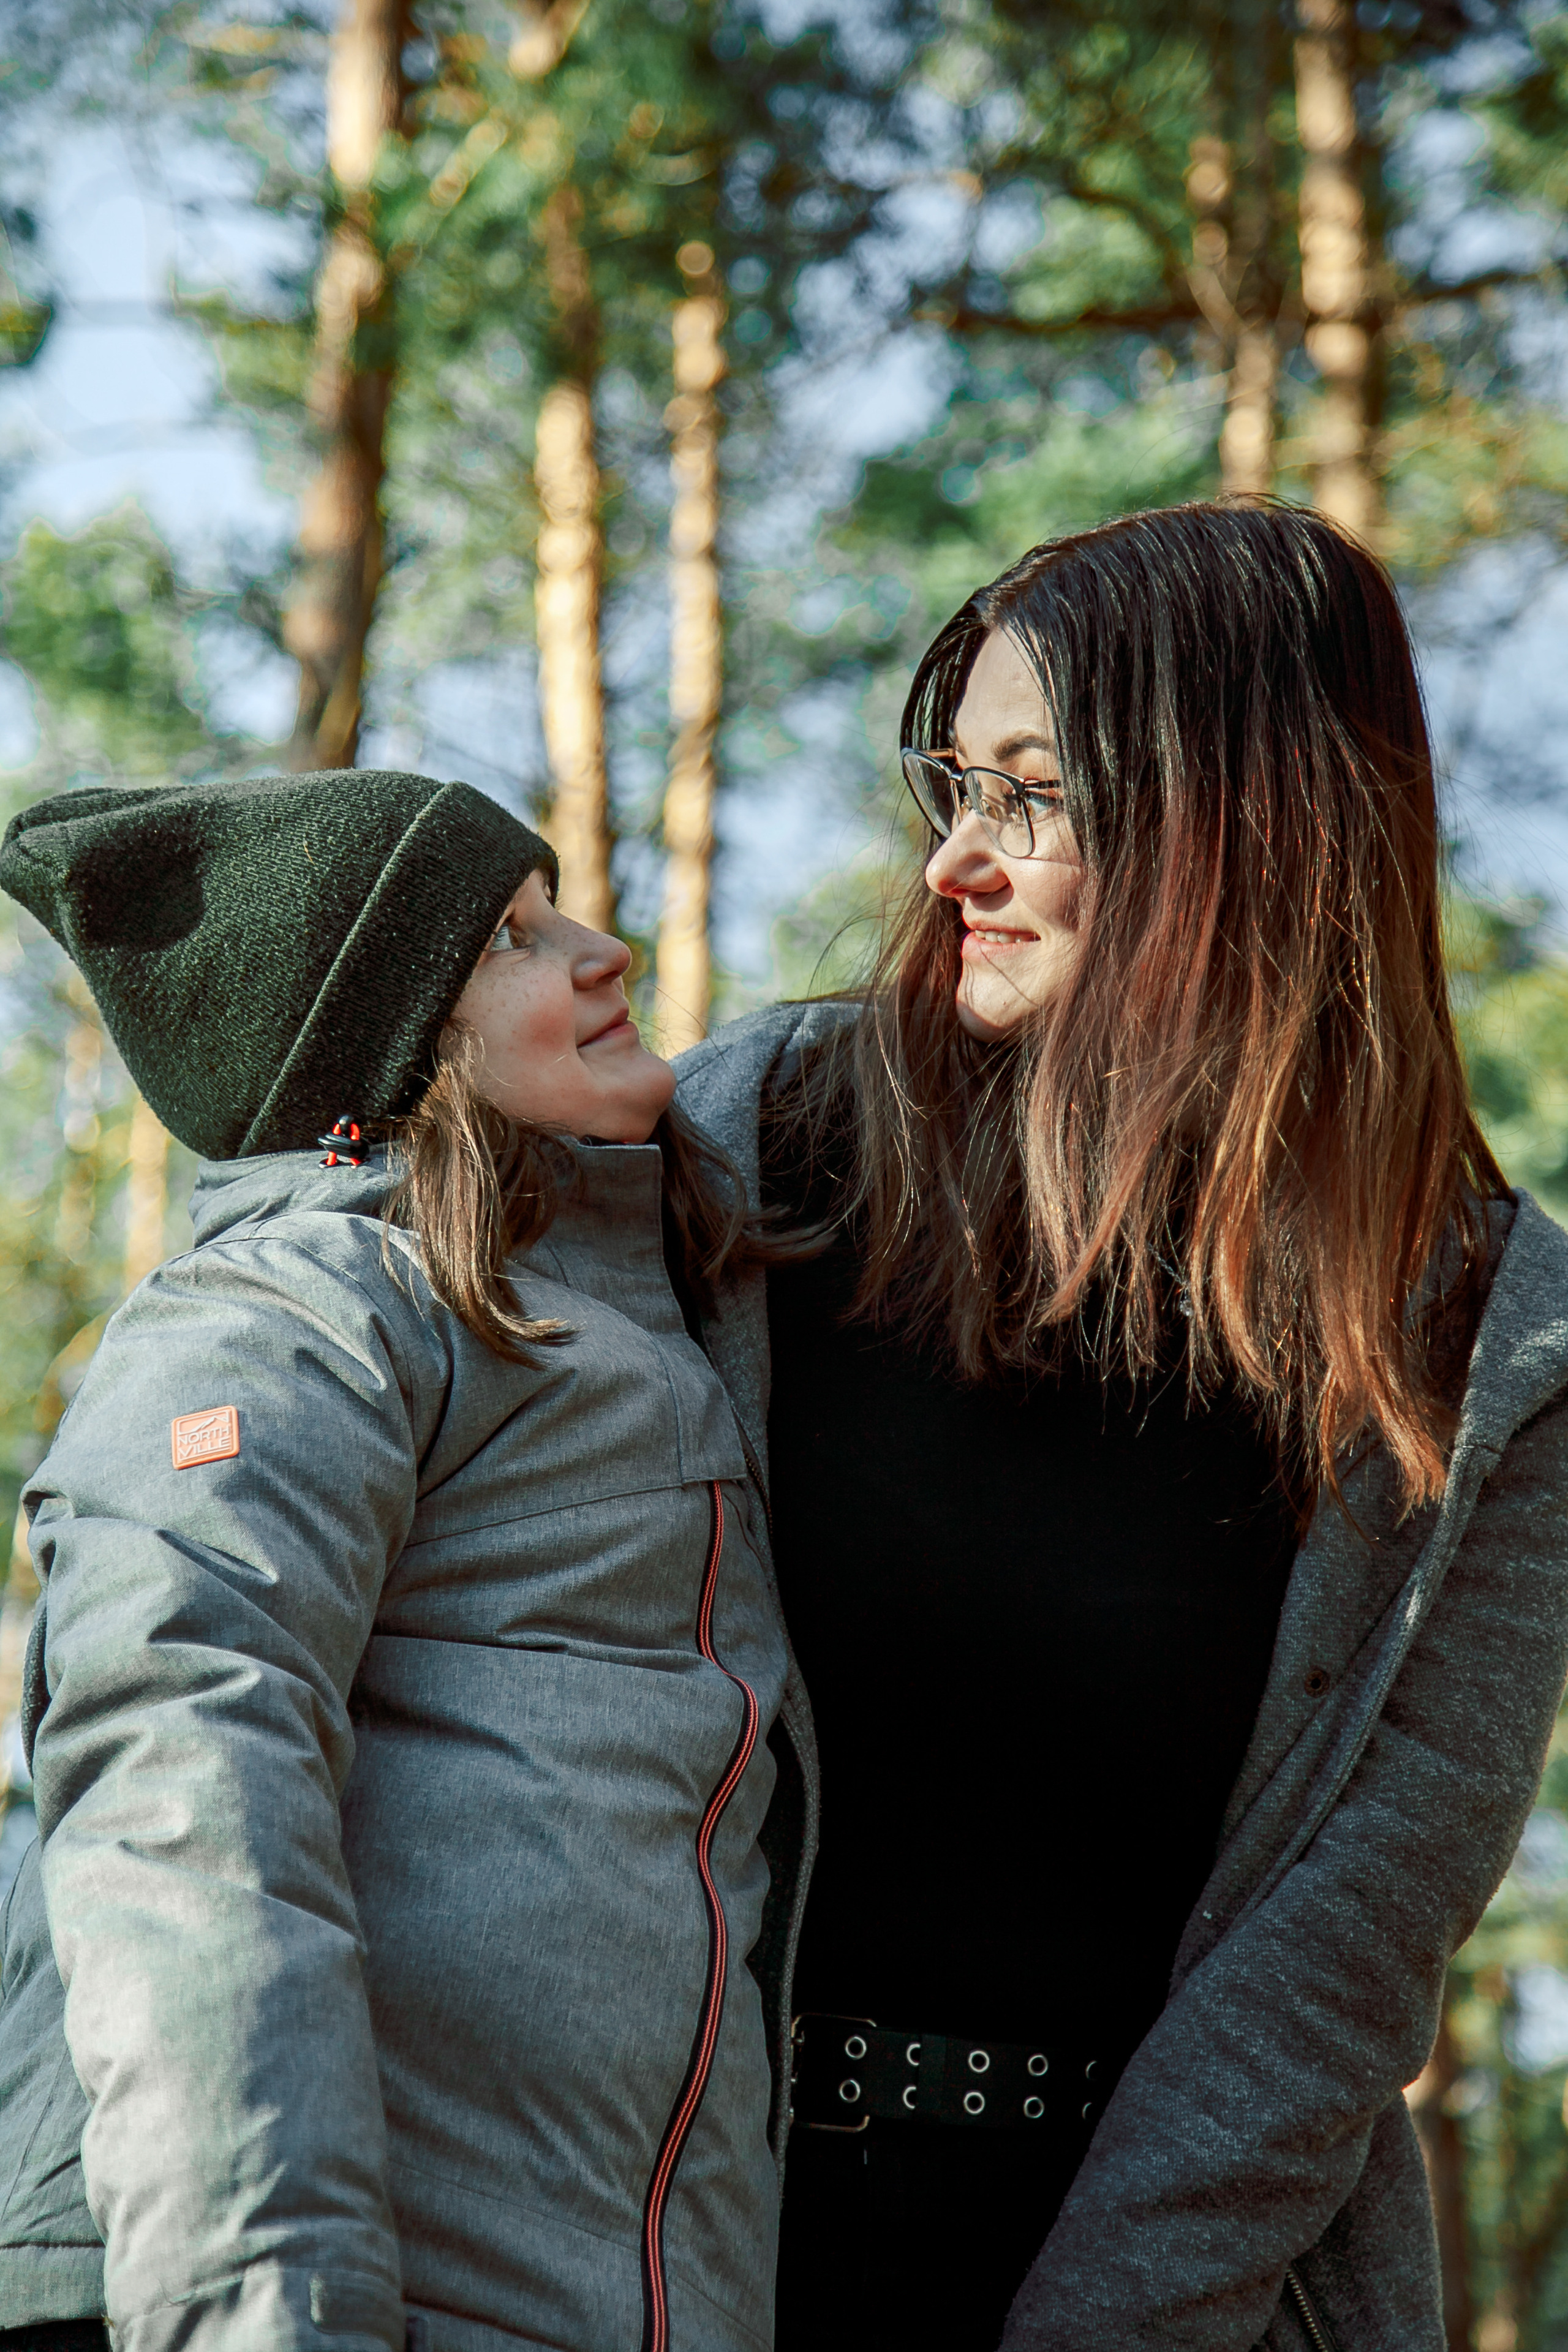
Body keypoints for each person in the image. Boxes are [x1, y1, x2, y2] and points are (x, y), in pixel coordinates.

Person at [676, 501, 1568, 2351]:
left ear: (1240, 823)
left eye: (1032, 794)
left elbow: (1340, 1963)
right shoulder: (757, 1144)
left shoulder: (1501, 1342)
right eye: (954, 786)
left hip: (1184, 2293)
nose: (953, 865)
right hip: (682, 2253)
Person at [0, 769, 810, 2352]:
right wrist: (260, 2315)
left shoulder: (614, 1320)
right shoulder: (297, 1309)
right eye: (512, 936)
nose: (602, 948)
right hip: (314, 2298)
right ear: (381, 1044)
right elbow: (179, 1765)